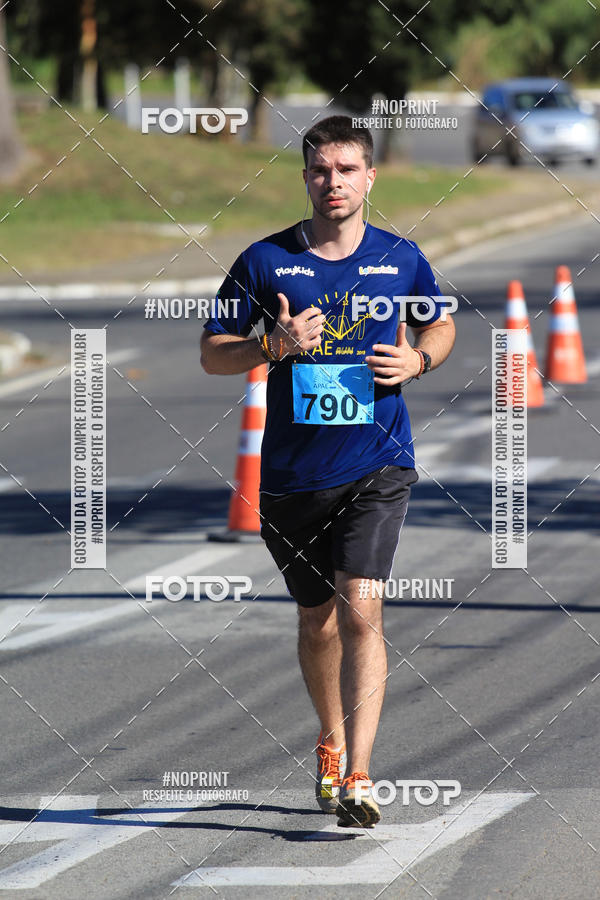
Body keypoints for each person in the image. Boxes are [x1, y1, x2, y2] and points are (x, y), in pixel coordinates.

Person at [201, 115, 455, 827]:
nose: (332, 182)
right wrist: (270, 346)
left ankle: (362, 777)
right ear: (305, 178)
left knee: (361, 609)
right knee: (317, 622)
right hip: (291, 477)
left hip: (379, 463)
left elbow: (439, 322)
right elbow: (213, 352)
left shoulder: (400, 257)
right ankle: (331, 741)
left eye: (346, 170)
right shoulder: (265, 261)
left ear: (370, 177)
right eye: (320, 170)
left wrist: (420, 358)